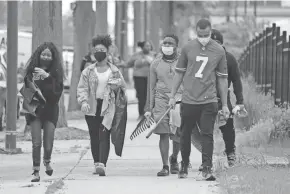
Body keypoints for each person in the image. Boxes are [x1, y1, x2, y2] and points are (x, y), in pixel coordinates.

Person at [169, 18, 230, 180]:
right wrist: (172, 95)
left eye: (206, 34)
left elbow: (222, 79)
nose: (204, 37)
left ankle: (207, 168)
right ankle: (184, 166)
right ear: (196, 33)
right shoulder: (188, 48)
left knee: (207, 134)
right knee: (185, 134)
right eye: (201, 34)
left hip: (209, 100)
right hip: (189, 99)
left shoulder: (219, 50)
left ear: (211, 32)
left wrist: (224, 104)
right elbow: (179, 73)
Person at [191, 29, 245, 169]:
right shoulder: (200, 58)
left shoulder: (229, 58)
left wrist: (240, 101)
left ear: (222, 44)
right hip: (202, 97)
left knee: (227, 128)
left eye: (217, 43)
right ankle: (206, 160)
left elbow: (237, 81)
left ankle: (231, 155)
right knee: (205, 129)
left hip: (222, 98)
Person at [77, 35, 127, 176]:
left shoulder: (114, 70)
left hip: (108, 106)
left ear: (107, 51)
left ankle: (102, 164)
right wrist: (83, 101)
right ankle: (96, 162)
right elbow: (82, 88)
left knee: (104, 133)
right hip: (92, 106)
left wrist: (117, 87)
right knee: (94, 135)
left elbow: (123, 88)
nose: (99, 51)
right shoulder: (88, 71)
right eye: (96, 49)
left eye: (102, 49)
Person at [23, 42, 64, 182]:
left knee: (48, 142)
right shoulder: (32, 71)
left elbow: (56, 94)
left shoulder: (56, 73)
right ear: (38, 55)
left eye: (48, 55)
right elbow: (26, 90)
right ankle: (35, 171)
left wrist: (47, 77)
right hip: (35, 112)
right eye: (43, 54)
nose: (45, 57)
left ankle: (47, 161)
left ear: (53, 57)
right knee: (36, 142)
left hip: (50, 111)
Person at [144, 34, 182, 176]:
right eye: (164, 43)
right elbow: (151, 87)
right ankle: (165, 166)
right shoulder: (155, 63)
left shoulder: (183, 62)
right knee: (163, 133)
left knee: (178, 132)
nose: (167, 46)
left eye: (170, 43)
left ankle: (174, 159)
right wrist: (149, 107)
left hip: (178, 99)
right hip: (161, 100)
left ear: (176, 46)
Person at [127, 41, 156, 120]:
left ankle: (151, 113)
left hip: (151, 78)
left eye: (149, 46)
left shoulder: (154, 55)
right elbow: (129, 64)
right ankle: (141, 114)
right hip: (139, 77)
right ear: (142, 47)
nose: (148, 47)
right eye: (146, 46)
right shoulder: (136, 55)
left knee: (150, 96)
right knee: (141, 96)